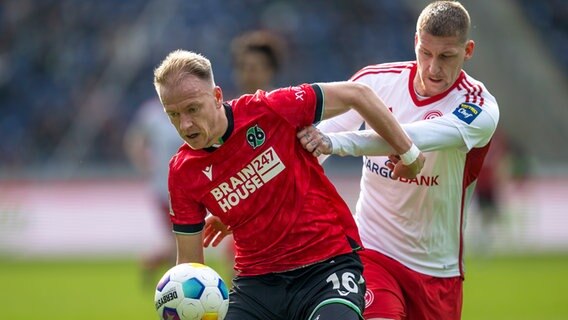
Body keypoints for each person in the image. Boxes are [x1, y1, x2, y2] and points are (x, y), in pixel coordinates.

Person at [153, 49, 424, 320]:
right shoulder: (182, 172)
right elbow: (189, 267)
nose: (185, 124)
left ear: (216, 97)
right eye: (173, 114)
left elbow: (359, 94)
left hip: (325, 268)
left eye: (192, 109)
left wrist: (409, 155)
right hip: (256, 287)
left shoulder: (269, 109)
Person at [297, 1, 500, 319]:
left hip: (437, 271)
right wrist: (258, 205)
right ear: (415, 42)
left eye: (446, 56)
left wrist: (335, 143)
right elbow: (313, 150)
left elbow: (410, 137)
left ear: (468, 50)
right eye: (426, 53)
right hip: (371, 251)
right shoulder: (375, 83)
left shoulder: (478, 108)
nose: (433, 68)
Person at [124, 97, 182, 286]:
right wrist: (144, 165)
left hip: (189, 187)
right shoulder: (152, 113)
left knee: (182, 242)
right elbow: (135, 139)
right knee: (180, 242)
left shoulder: (188, 109)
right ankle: (162, 271)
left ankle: (153, 263)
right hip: (164, 189)